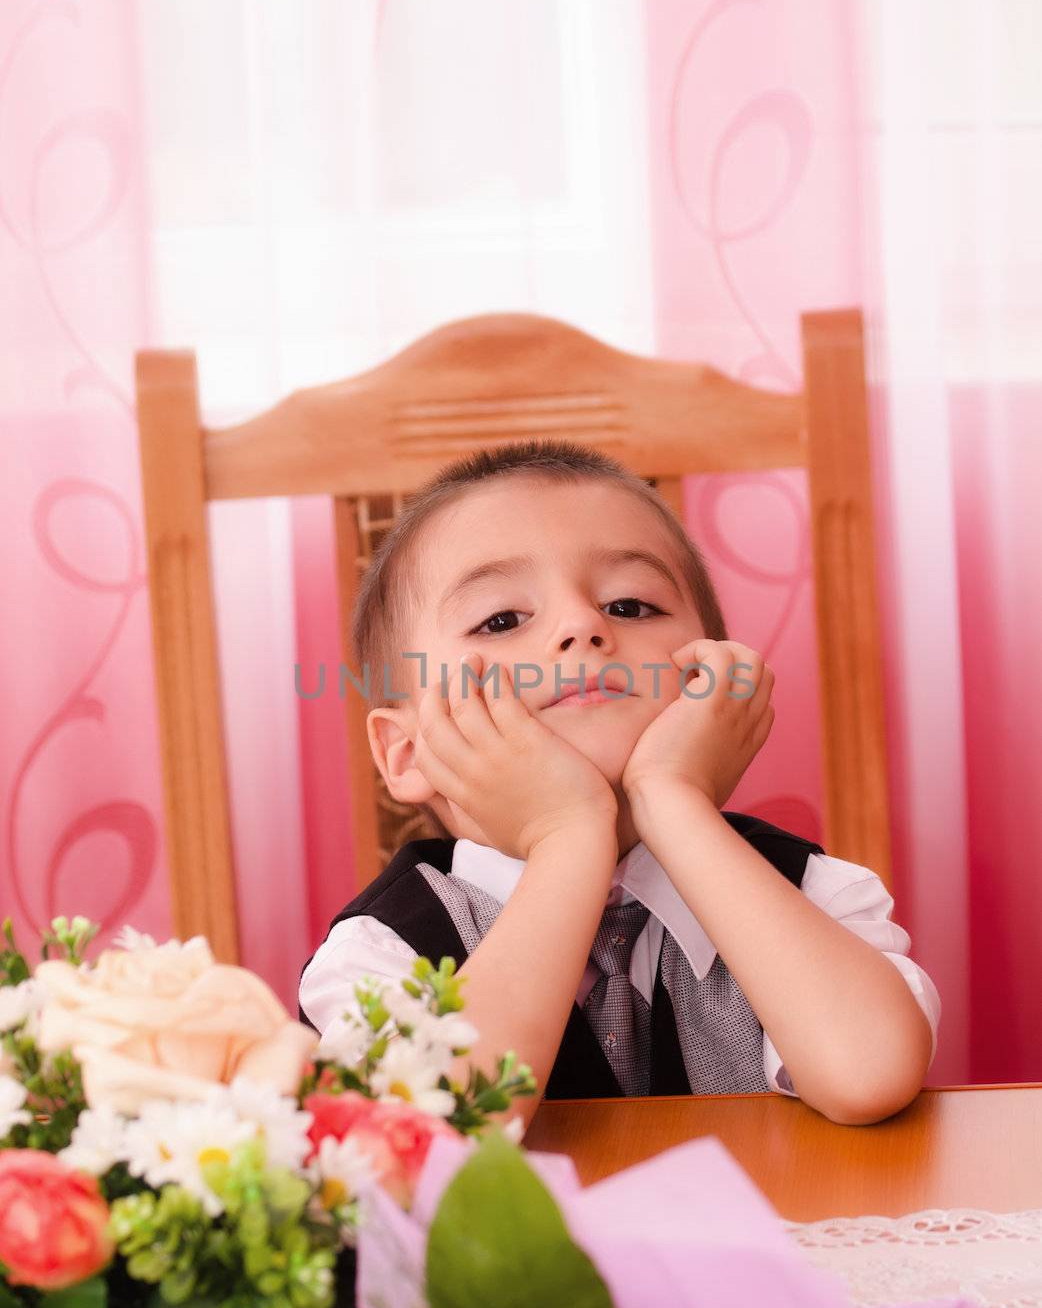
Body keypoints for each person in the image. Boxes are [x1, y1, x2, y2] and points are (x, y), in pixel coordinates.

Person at [299, 438, 940, 1131]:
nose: (583, 625)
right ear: (405, 753)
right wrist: (567, 836)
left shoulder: (805, 893)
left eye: (631, 605)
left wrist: (673, 798)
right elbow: (439, 1134)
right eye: (503, 620)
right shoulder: (381, 952)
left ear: (708, 679)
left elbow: (869, 1073)